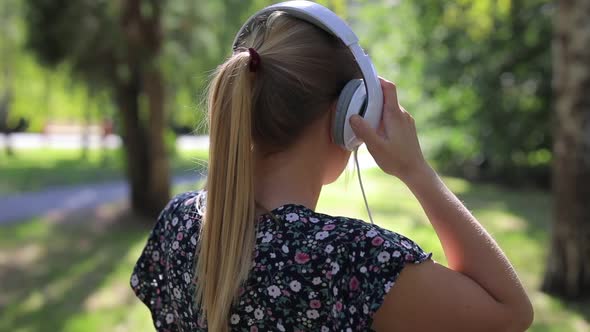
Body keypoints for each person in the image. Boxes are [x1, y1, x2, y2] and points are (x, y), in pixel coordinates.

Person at [130, 7, 534, 332]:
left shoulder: (179, 222)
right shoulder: (351, 260)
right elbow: (510, 312)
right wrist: (416, 171)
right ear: (349, 113)